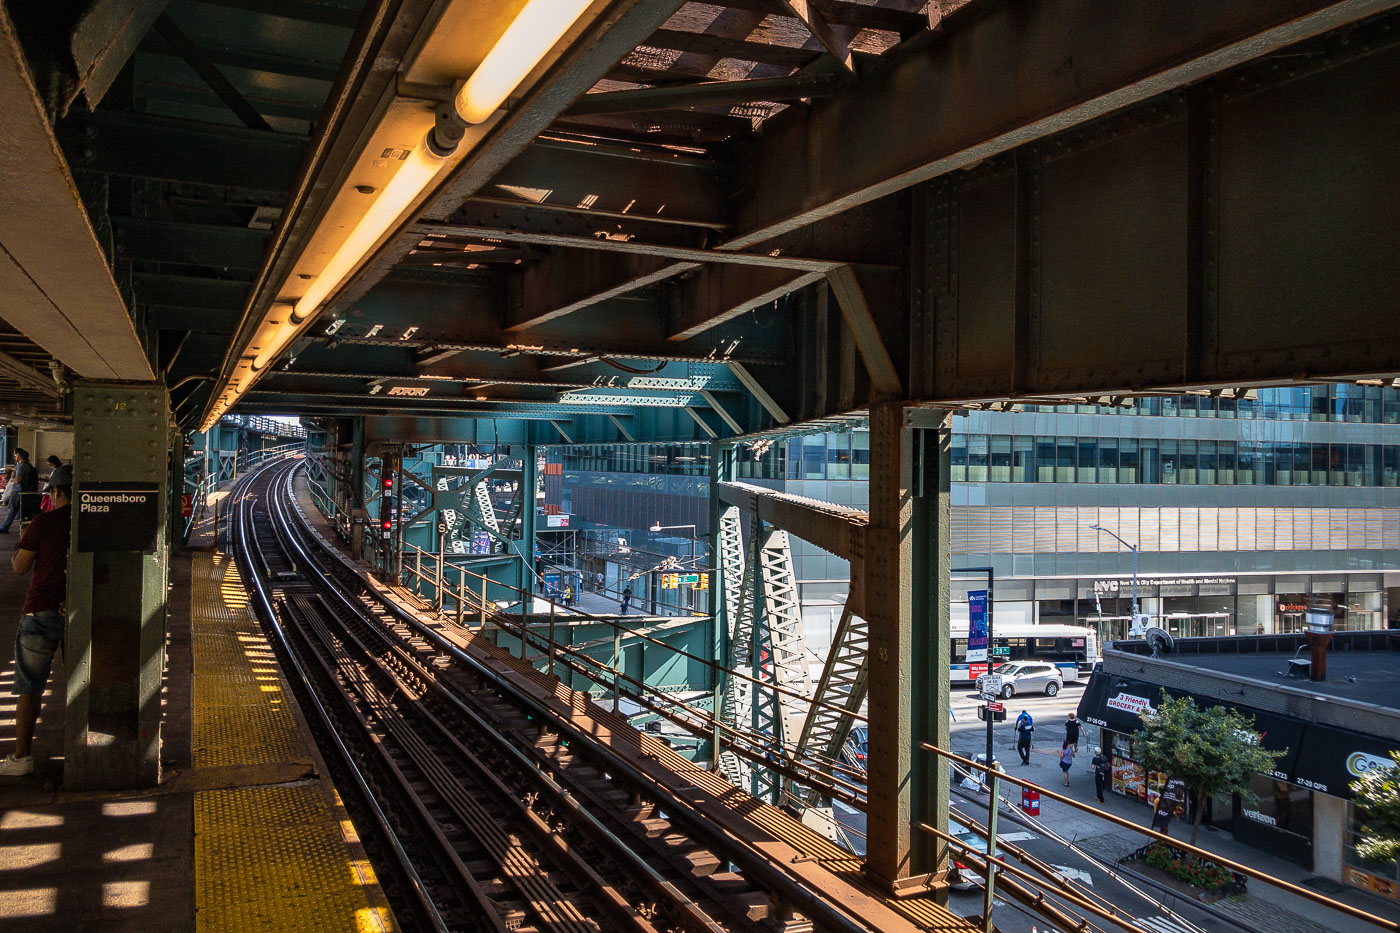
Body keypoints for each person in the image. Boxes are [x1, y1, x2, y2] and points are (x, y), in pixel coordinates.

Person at [0, 463, 72, 775]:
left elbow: (19, 568)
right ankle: (81, 749)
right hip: (79, 611)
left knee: (30, 686)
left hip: (40, 610)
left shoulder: (44, 522)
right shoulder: (94, 523)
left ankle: (22, 757)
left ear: (57, 492)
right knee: (80, 683)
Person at [0, 449, 36, 533]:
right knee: (21, 511)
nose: (14, 457)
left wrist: (12, 478)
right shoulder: (27, 465)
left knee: (12, 509)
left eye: (15, 455)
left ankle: (5, 527)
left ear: (19, 455)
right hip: (24, 491)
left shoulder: (22, 466)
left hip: (19, 490)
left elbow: (18, 479)